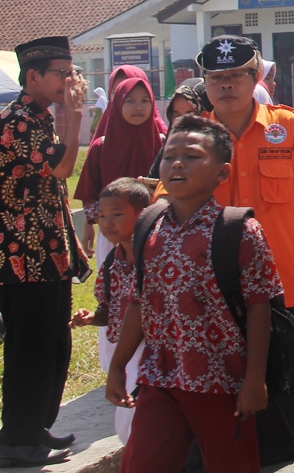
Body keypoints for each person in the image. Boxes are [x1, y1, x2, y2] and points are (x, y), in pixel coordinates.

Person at [197, 35, 294, 472]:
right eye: (215, 78)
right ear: (204, 83)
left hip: (281, 287)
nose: (225, 86)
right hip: (213, 287)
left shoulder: (288, 127)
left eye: (235, 76)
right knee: (220, 382)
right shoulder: (193, 137)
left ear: (254, 76)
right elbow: (169, 207)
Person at [106, 115, 281, 473]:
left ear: (222, 172)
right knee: (142, 464)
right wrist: (117, 365)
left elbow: (259, 307)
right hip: (160, 379)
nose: (177, 164)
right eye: (169, 157)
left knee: (232, 466)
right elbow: (139, 303)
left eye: (193, 156)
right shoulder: (148, 226)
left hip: (223, 382)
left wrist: (254, 380)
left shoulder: (239, 230)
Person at [0, 37, 89, 466]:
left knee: (53, 344)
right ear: (33, 76)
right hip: (23, 257)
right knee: (30, 350)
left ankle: (33, 426)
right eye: (62, 73)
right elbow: (63, 167)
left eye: (72, 72)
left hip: (48, 253)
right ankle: (17, 439)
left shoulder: (39, 116)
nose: (70, 81)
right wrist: (74, 115)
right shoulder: (19, 121)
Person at [71, 178, 152, 444]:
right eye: (102, 216)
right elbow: (109, 309)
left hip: (155, 352)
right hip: (128, 357)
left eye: (117, 214)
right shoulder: (111, 262)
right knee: (127, 426)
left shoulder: (155, 256)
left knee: (142, 426)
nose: (107, 223)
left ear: (143, 214)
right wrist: (92, 318)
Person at [75, 76, 165, 258]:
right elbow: (90, 192)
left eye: (145, 100)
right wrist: (90, 223)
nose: (138, 107)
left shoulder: (163, 143)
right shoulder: (101, 147)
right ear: (117, 103)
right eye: (130, 101)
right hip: (111, 231)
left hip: (156, 227)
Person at [146, 80, 210, 182]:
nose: (182, 121)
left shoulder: (217, 154)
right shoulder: (168, 150)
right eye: (177, 115)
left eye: (190, 114)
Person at [91, 65, 149, 141]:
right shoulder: (101, 145)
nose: (120, 98)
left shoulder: (163, 143)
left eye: (127, 91)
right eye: (115, 92)